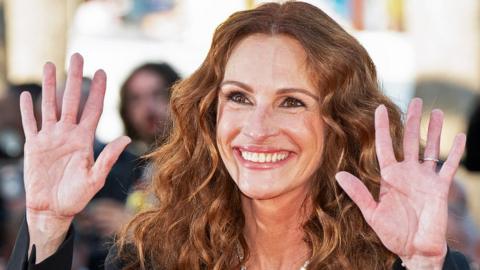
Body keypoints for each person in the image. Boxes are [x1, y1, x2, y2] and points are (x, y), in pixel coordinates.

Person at [6, 2, 470, 269]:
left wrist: (424, 265)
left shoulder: (398, 258)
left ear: (340, 124)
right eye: (239, 97)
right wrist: (45, 227)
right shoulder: (153, 255)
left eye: (292, 101)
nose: (257, 129)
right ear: (210, 112)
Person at [119, 63, 180, 156]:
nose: (148, 107)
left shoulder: (203, 156)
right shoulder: (117, 165)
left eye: (158, 94)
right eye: (136, 98)